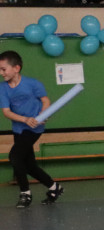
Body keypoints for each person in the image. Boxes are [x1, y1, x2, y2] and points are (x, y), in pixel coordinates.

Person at [0, 50, 64, 208]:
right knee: (29, 165)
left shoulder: (33, 84)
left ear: (16, 68)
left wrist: (43, 114)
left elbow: (45, 101)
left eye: (3, 69)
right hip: (19, 129)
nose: (1, 73)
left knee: (15, 156)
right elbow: (6, 112)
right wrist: (25, 120)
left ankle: (25, 193)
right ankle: (54, 188)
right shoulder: (2, 88)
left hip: (34, 129)